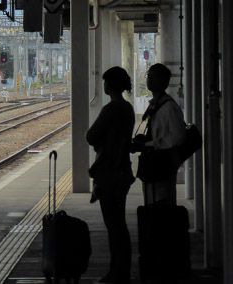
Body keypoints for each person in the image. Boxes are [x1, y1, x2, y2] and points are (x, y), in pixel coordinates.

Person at [86, 66, 136, 284]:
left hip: (109, 172)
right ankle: (121, 270)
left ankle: (117, 273)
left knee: (114, 226)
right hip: (123, 170)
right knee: (119, 225)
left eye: (105, 82)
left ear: (110, 85)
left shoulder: (111, 109)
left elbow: (91, 135)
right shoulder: (128, 108)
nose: (103, 85)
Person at [132, 63, 186, 205]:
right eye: (148, 76)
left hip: (163, 164)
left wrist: (149, 144)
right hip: (152, 164)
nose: (149, 80)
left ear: (163, 81)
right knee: (152, 203)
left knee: (162, 205)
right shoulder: (155, 104)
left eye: (152, 77)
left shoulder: (169, 107)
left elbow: (177, 137)